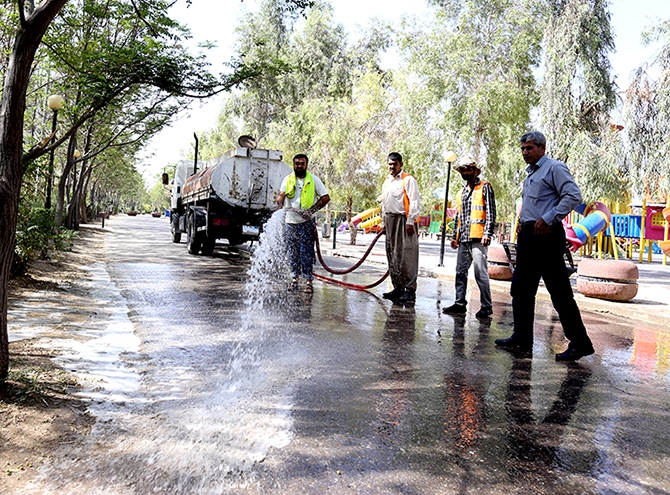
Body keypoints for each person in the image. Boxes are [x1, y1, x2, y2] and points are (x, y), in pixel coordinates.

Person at [495, 131, 595, 361]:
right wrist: (523, 224)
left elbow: (573, 196)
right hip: (530, 235)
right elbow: (533, 204)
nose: (525, 153)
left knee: (559, 293)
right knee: (520, 289)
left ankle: (580, 344)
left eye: (529, 148)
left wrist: (549, 218)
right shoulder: (530, 174)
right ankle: (521, 338)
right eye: (522, 149)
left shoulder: (554, 168)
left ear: (542, 147)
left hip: (547, 236)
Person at [442, 156, 496, 319]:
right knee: (460, 271)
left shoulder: (484, 187)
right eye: (463, 170)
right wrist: (454, 236)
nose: (465, 172)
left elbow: (491, 212)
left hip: (478, 237)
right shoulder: (461, 193)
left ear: (475, 171)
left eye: (468, 169)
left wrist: (488, 233)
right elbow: (459, 216)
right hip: (464, 238)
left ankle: (486, 306)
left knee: (480, 273)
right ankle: (459, 303)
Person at [276, 154, 330, 293]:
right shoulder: (288, 179)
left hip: (306, 223)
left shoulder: (313, 180)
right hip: (290, 223)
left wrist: (311, 211)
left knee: (306, 253)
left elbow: (325, 197)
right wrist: (280, 202)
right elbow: (281, 194)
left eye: (302, 163)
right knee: (293, 253)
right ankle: (294, 279)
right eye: (297, 163)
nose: (299, 166)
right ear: (293, 164)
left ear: (306, 165)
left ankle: (308, 281)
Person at [380, 152, 421, 305]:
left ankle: (410, 290)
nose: (392, 167)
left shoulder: (408, 180)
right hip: (390, 220)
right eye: (390, 164)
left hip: (405, 220)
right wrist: (384, 223)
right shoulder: (387, 182)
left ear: (401, 164)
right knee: (392, 254)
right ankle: (397, 287)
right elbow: (384, 204)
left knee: (407, 255)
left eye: (395, 164)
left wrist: (410, 221)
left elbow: (414, 201)